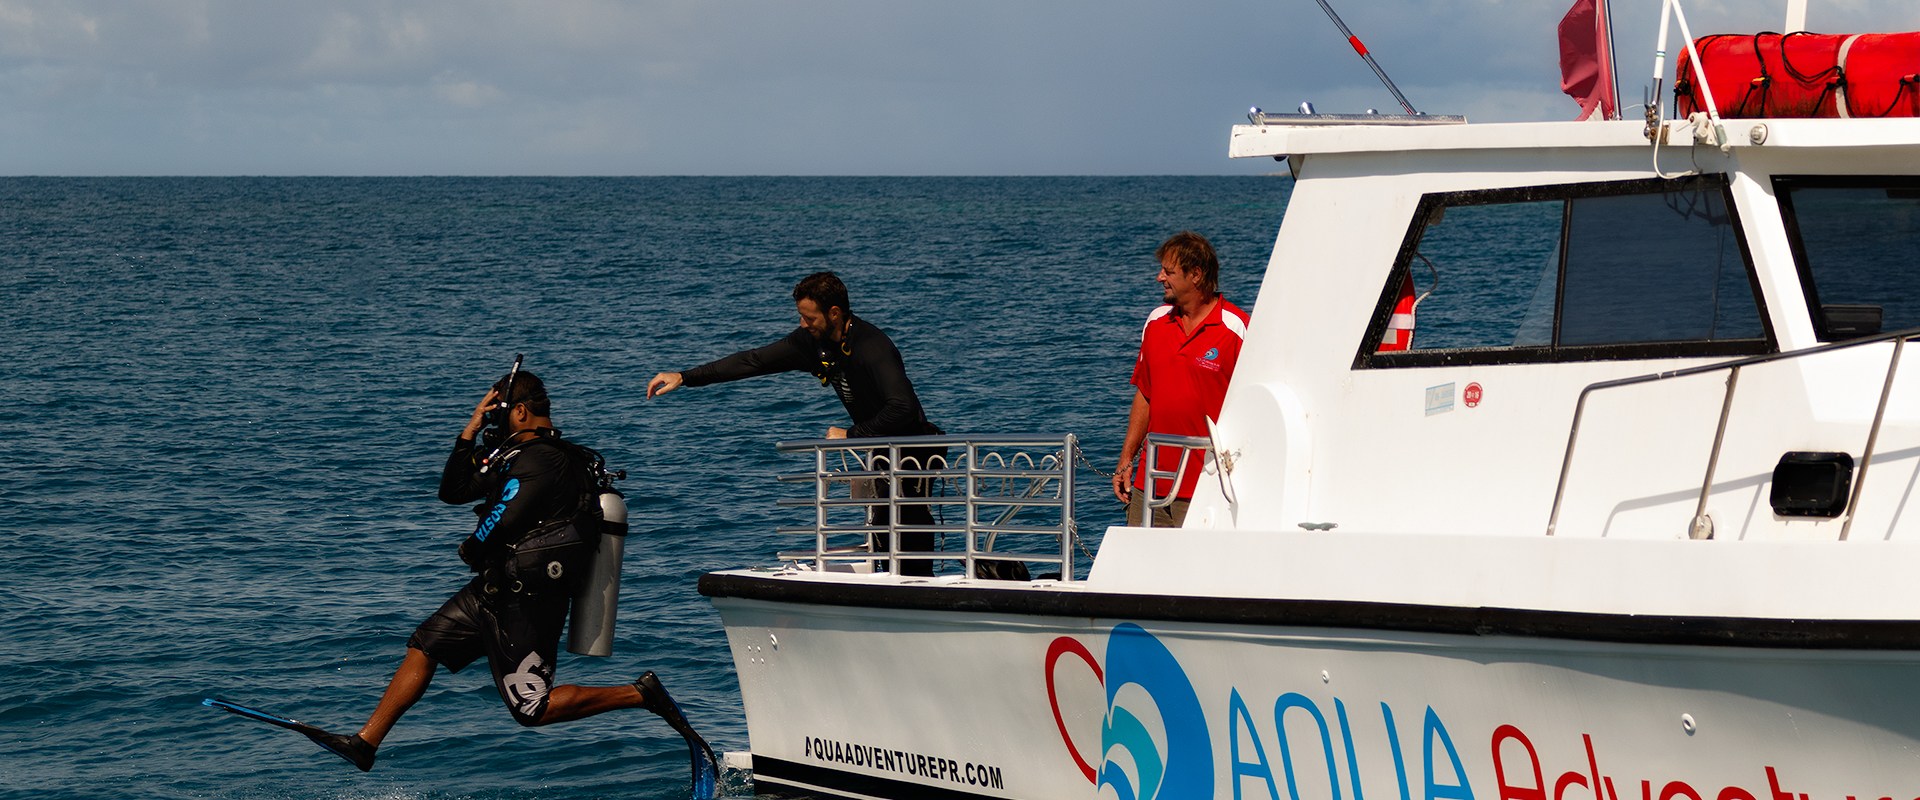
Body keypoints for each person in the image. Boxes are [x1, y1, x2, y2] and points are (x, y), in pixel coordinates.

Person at [307, 371, 704, 772]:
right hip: (494, 588)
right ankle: (365, 743)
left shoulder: (544, 459)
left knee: (533, 708)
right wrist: (470, 430)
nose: (494, 423)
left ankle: (641, 694)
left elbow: (504, 516)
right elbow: (453, 491)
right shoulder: (517, 456)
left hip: (530, 600)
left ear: (520, 411)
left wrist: (472, 546)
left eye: (498, 414)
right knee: (425, 646)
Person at [646, 271, 945, 577]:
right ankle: (895, 586)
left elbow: (903, 407)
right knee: (883, 531)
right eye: (801, 316)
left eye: (809, 318)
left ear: (834, 313)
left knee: (908, 531)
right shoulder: (811, 343)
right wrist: (685, 377)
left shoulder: (872, 345)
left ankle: (918, 586)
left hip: (915, 452)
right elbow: (753, 361)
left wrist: (851, 434)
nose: (803, 324)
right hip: (882, 450)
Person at [1113, 231, 1251, 528]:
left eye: (1169, 271)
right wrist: (1126, 460)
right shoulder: (1156, 322)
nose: (1159, 277)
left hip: (1209, 487)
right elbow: (1145, 394)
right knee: (1140, 557)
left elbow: (1253, 408)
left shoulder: (1236, 329)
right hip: (1150, 482)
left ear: (1196, 275)